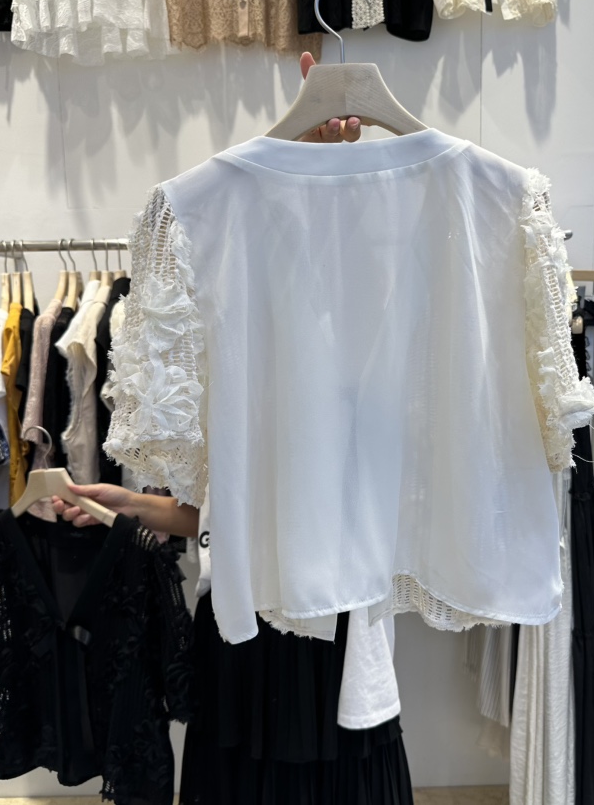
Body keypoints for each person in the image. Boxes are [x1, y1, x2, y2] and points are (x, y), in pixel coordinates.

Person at [53, 54, 414, 804]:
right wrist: (124, 503)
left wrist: (324, 178)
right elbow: (216, 513)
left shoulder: (369, 355)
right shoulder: (235, 354)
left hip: (335, 626)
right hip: (243, 627)